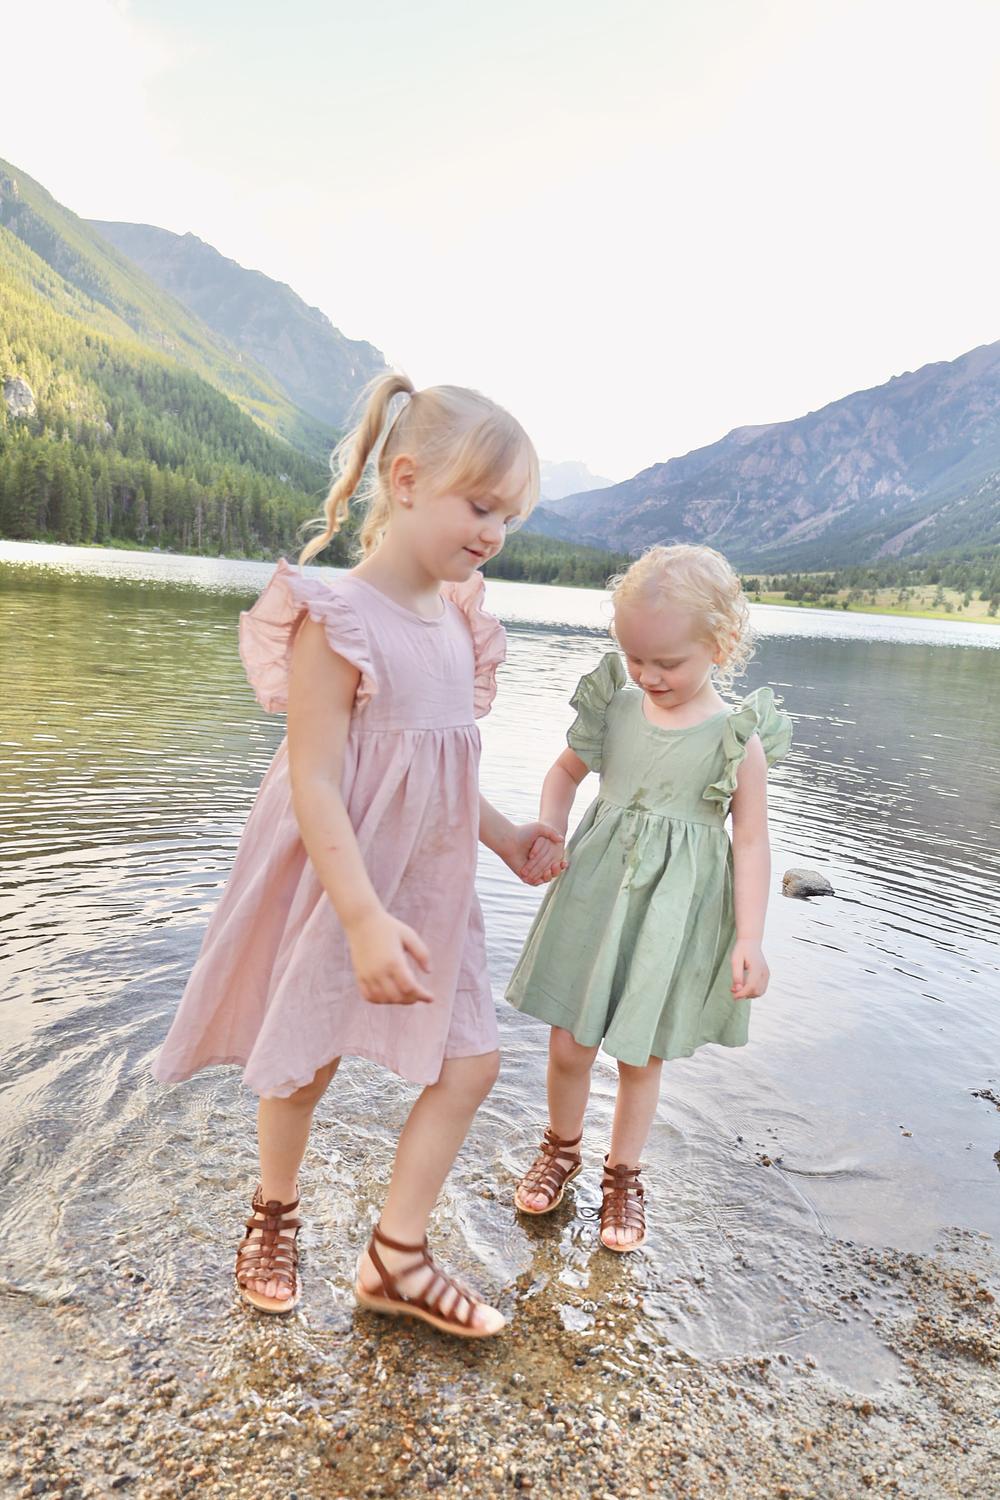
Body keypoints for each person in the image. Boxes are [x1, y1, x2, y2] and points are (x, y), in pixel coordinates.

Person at [153, 374, 561, 1337]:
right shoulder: (335, 616)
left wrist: (506, 837)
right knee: (305, 1060)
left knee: (472, 1064)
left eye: (508, 517)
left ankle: (395, 1256)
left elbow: (441, 771)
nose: (494, 532)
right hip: (340, 883)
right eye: (480, 506)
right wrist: (362, 916)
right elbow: (315, 780)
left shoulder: (459, 620)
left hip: (432, 888)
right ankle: (275, 1211)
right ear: (406, 481)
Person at [507, 543, 792, 1252]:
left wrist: (749, 938)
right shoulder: (618, 708)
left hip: (672, 911)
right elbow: (564, 773)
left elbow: (751, 843)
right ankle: (561, 1149)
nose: (648, 676)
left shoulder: (736, 741)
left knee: (641, 1053)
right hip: (595, 894)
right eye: (635, 658)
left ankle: (624, 1175)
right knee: (570, 1041)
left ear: (721, 645)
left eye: (668, 663)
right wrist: (551, 826)